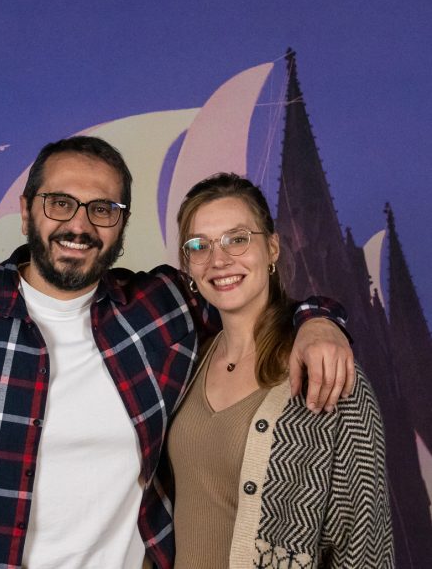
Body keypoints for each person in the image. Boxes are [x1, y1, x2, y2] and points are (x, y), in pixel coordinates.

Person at [0, 137, 354, 569]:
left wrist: (318, 321)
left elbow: (248, 297)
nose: (80, 225)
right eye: (60, 203)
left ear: (121, 226)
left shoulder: (161, 307)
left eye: (102, 209)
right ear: (27, 211)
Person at [166, 173, 393, 568]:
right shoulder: (187, 360)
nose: (219, 260)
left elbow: (364, 547)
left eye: (237, 239)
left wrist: (319, 322)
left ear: (272, 248)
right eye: (199, 245)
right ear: (188, 264)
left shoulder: (329, 375)